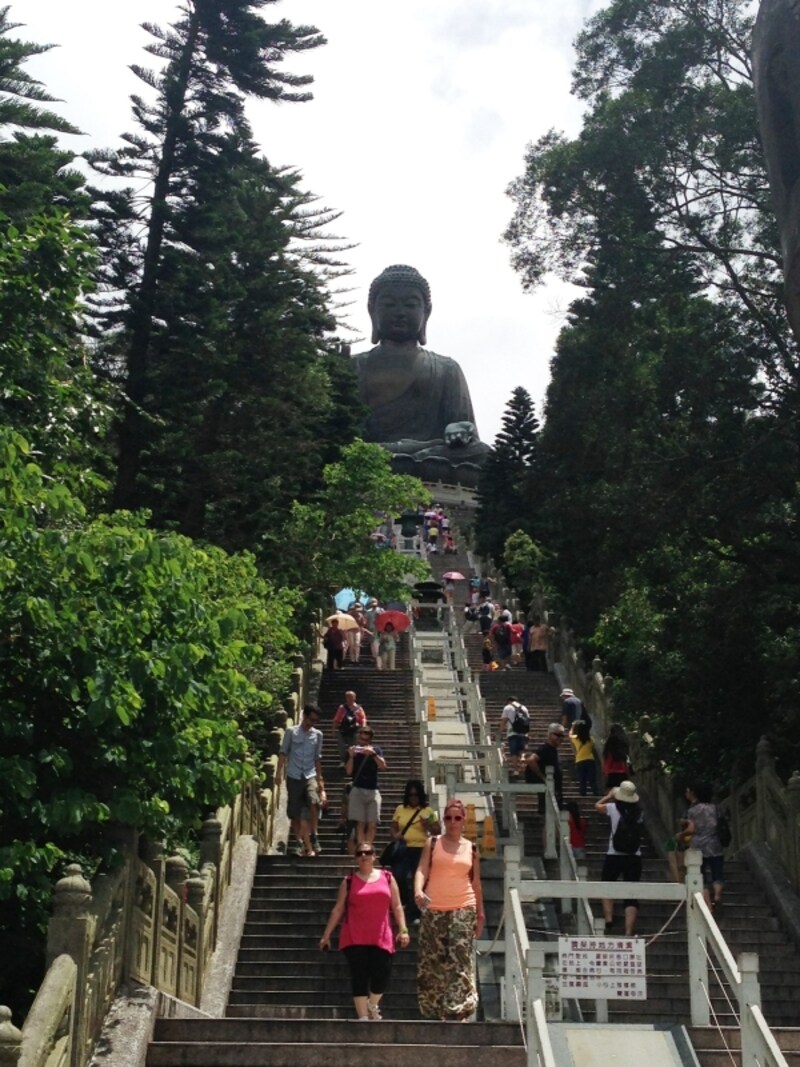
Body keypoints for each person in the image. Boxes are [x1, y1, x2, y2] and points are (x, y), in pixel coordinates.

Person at [352, 264, 490, 466]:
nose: (400, 312)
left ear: (426, 312)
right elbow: (337, 431)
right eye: (389, 304)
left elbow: (467, 436)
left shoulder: (446, 368)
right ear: (372, 310)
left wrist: (460, 430)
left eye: (410, 305)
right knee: (340, 450)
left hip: (429, 457)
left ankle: (409, 457)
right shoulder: (352, 365)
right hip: (365, 455)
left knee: (482, 453)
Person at [319, 844, 410, 1021]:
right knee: (359, 975)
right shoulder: (349, 881)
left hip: (381, 935)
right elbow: (338, 909)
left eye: (368, 852)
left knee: (382, 974)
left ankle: (372, 1004)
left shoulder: (387, 877)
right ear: (356, 858)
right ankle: (363, 1018)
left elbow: (397, 906)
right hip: (354, 935)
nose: (364, 856)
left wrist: (403, 929)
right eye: (359, 853)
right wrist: (326, 935)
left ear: (374, 856)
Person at [413, 798, 485, 1021]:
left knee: (459, 957)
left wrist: (480, 914)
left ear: (463, 820)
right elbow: (422, 870)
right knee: (432, 960)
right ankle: (436, 1010)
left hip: (464, 906)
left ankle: (457, 1009)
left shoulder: (471, 848)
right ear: (443, 820)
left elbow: (476, 883)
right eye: (448, 818)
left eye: (457, 818)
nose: (453, 822)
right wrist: (418, 890)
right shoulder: (433, 843)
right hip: (434, 907)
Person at [276, 704, 326, 857]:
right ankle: (298, 841)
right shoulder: (291, 732)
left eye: (315, 721)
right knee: (295, 811)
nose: (312, 723)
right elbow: (283, 753)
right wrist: (278, 773)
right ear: (304, 715)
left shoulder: (318, 735)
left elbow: (317, 758)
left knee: (313, 801)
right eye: (311, 719)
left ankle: (314, 834)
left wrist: (320, 780)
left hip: (310, 775)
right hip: (294, 775)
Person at [596, 780, 643, 935]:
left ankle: (609, 919)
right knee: (632, 894)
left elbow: (597, 806)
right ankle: (628, 931)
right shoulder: (640, 812)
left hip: (614, 854)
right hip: (634, 855)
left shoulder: (613, 807)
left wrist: (609, 796)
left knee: (606, 885)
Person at [388, 780, 439, 923]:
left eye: (416, 795)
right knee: (399, 876)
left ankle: (414, 913)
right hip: (403, 848)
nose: (413, 798)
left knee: (417, 881)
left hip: (421, 849)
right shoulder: (400, 809)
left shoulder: (427, 811)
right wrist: (396, 835)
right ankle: (404, 903)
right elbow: (393, 828)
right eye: (410, 795)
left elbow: (437, 830)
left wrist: (427, 825)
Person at [681, 782, 725, 913]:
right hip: (715, 844)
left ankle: (708, 904)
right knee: (717, 874)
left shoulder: (692, 811)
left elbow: (691, 829)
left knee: (701, 876)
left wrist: (681, 834)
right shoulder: (716, 808)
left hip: (698, 846)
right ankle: (717, 896)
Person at [346, 726, 387, 848]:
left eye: (366, 740)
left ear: (370, 740)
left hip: (373, 789)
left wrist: (373, 754)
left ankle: (368, 847)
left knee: (372, 823)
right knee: (360, 823)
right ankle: (361, 849)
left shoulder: (376, 750)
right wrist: (351, 756)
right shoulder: (354, 751)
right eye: (361, 739)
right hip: (358, 788)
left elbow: (383, 766)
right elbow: (348, 771)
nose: (363, 743)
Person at [524, 722, 566, 811]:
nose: (561, 738)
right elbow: (531, 760)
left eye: (563, 736)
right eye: (558, 735)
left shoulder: (553, 750)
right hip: (548, 791)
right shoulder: (545, 749)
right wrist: (543, 778)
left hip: (555, 790)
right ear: (550, 735)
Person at [333, 690, 367, 769]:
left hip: (354, 731)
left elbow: (363, 718)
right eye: (348, 697)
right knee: (341, 746)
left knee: (353, 747)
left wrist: (363, 728)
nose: (350, 699)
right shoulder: (342, 708)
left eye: (351, 697)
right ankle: (343, 761)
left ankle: (352, 762)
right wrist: (333, 729)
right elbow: (336, 719)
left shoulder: (358, 708)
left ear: (355, 698)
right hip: (343, 730)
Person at [500, 696, 530, 774]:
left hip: (512, 733)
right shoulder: (524, 708)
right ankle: (522, 758)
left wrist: (500, 732)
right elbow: (527, 721)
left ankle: (516, 770)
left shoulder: (507, 708)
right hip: (523, 733)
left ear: (509, 701)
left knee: (514, 752)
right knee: (522, 749)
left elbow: (504, 721)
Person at [569, 719, 599, 796]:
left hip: (579, 760)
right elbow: (592, 748)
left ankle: (583, 794)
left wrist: (573, 726)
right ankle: (596, 793)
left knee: (582, 779)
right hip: (590, 760)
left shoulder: (576, 738)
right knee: (592, 779)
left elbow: (570, 735)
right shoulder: (591, 739)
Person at [602, 725, 631, 789]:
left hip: (612, 773)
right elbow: (627, 759)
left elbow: (609, 759)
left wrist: (605, 771)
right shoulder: (624, 743)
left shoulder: (610, 742)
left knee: (613, 793)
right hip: (623, 773)